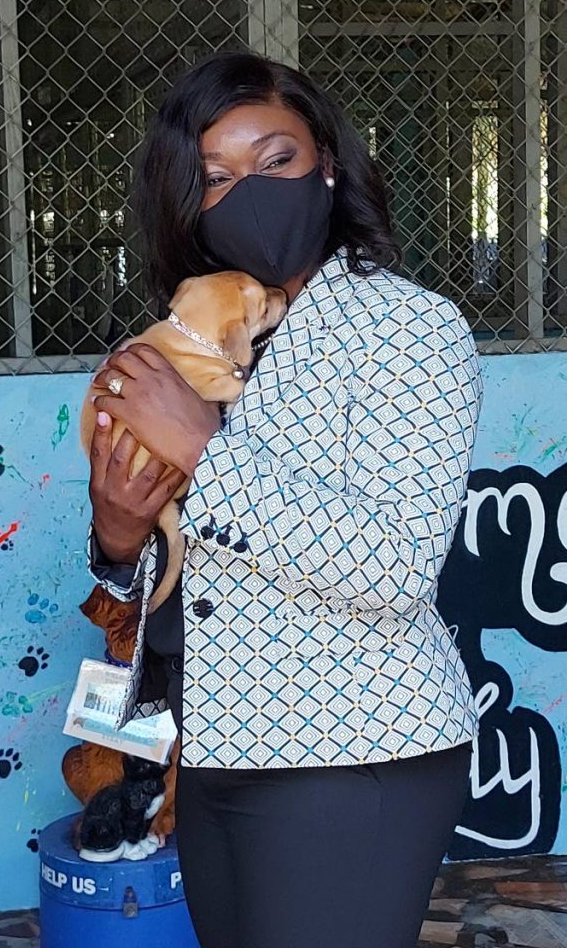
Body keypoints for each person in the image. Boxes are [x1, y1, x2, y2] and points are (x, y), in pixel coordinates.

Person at [86, 51, 483, 948]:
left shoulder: (406, 327)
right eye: (217, 178)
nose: (250, 192)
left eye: (276, 161)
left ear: (328, 165)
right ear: (187, 200)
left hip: (352, 751)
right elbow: (170, 557)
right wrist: (116, 534)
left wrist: (197, 443)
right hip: (215, 748)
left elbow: (392, 567)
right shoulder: (197, 330)